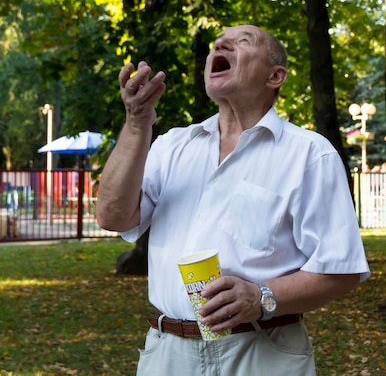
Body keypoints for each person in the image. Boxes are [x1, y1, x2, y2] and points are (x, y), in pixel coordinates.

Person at [96, 24, 370, 376]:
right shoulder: (172, 146)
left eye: (244, 41)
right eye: (217, 43)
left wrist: (260, 297)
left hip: (262, 353)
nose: (221, 44)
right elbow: (113, 215)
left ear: (275, 75)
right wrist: (136, 123)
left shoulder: (308, 154)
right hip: (167, 355)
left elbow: (340, 270)